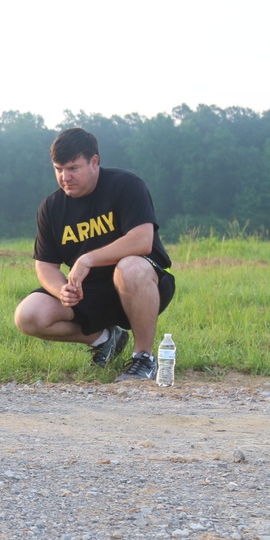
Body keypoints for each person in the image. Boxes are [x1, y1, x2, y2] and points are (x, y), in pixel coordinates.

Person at [14, 128, 175, 381]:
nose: (65, 177)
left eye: (73, 168)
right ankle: (106, 339)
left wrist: (87, 259)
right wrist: (61, 291)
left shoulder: (126, 185)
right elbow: (45, 265)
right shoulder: (51, 208)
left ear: (94, 162)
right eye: (58, 169)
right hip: (87, 294)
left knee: (129, 267)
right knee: (28, 315)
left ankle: (143, 358)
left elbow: (142, 240)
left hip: (139, 286)